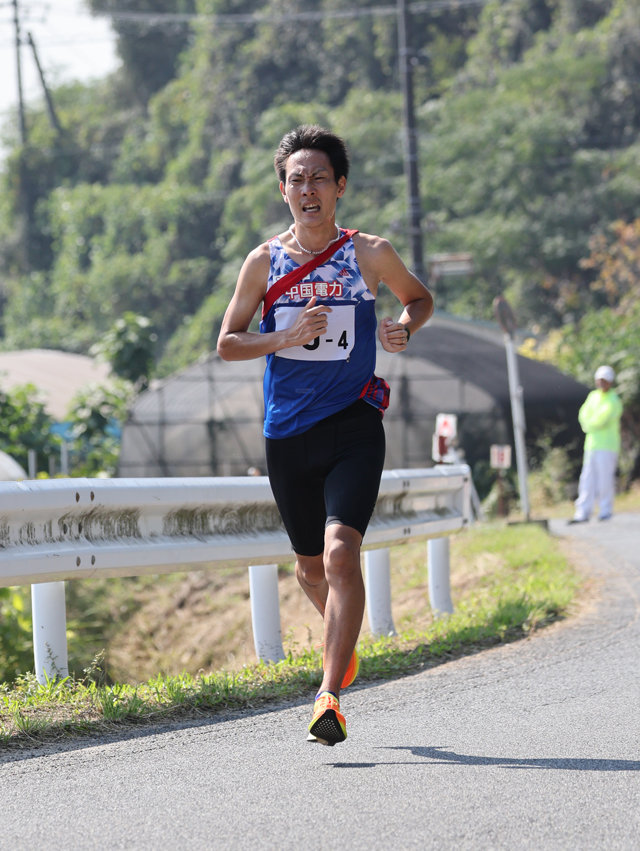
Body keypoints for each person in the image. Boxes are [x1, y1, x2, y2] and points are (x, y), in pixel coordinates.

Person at [217, 124, 433, 745]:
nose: (307, 189)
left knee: (342, 554)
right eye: (295, 179)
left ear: (340, 187)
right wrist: (283, 337)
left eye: (319, 178)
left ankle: (328, 693)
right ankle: (344, 647)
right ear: (282, 190)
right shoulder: (264, 261)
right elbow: (228, 343)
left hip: (354, 423)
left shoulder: (369, 252)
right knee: (311, 569)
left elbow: (418, 299)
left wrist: (401, 328)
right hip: (287, 432)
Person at [570, 365, 622, 524]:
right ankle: (583, 511)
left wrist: (589, 424)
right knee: (587, 478)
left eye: (604, 381)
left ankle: (605, 510)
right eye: (599, 380)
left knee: (604, 479)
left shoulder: (614, 400)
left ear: (610, 382)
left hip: (607, 446)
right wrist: (589, 423)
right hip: (591, 445)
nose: (601, 383)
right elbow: (583, 414)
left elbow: (602, 419)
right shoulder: (593, 396)